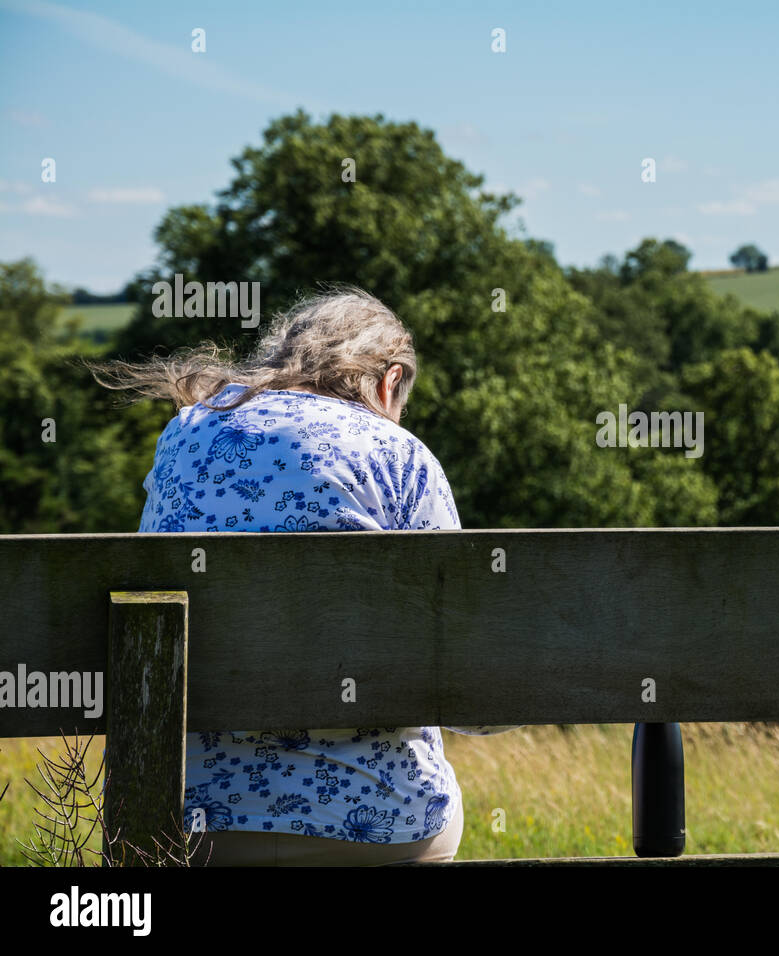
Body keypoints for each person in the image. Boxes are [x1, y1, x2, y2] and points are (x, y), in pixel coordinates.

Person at [91, 287, 508, 865]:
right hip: (381, 825)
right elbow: (476, 694)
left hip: (185, 821)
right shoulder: (398, 455)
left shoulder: (186, 435)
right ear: (389, 381)